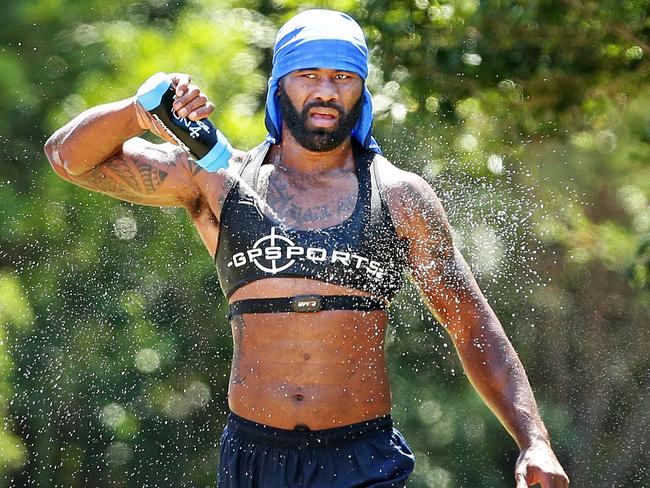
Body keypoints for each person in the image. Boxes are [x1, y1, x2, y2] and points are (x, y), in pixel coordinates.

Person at [44, 9, 569, 488]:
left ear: (361, 91)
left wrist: (534, 441)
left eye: (342, 77)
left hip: (361, 459)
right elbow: (69, 158)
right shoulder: (217, 179)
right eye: (308, 75)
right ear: (280, 86)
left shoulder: (398, 197)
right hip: (254, 457)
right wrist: (139, 110)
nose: (325, 91)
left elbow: (471, 324)